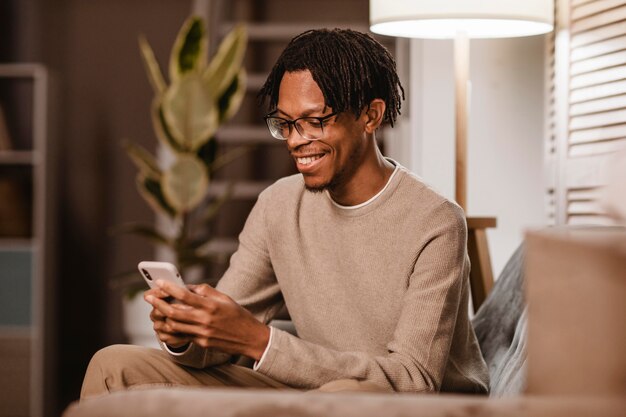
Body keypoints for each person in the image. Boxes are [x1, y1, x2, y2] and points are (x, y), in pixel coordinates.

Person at [81, 28, 489, 397]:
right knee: (113, 366)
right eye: (286, 124)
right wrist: (187, 333)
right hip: (311, 392)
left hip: (399, 404)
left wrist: (260, 341)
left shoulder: (435, 221)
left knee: (348, 396)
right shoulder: (278, 205)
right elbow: (223, 339)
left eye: (315, 121)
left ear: (371, 115)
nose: (296, 140)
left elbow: (414, 382)